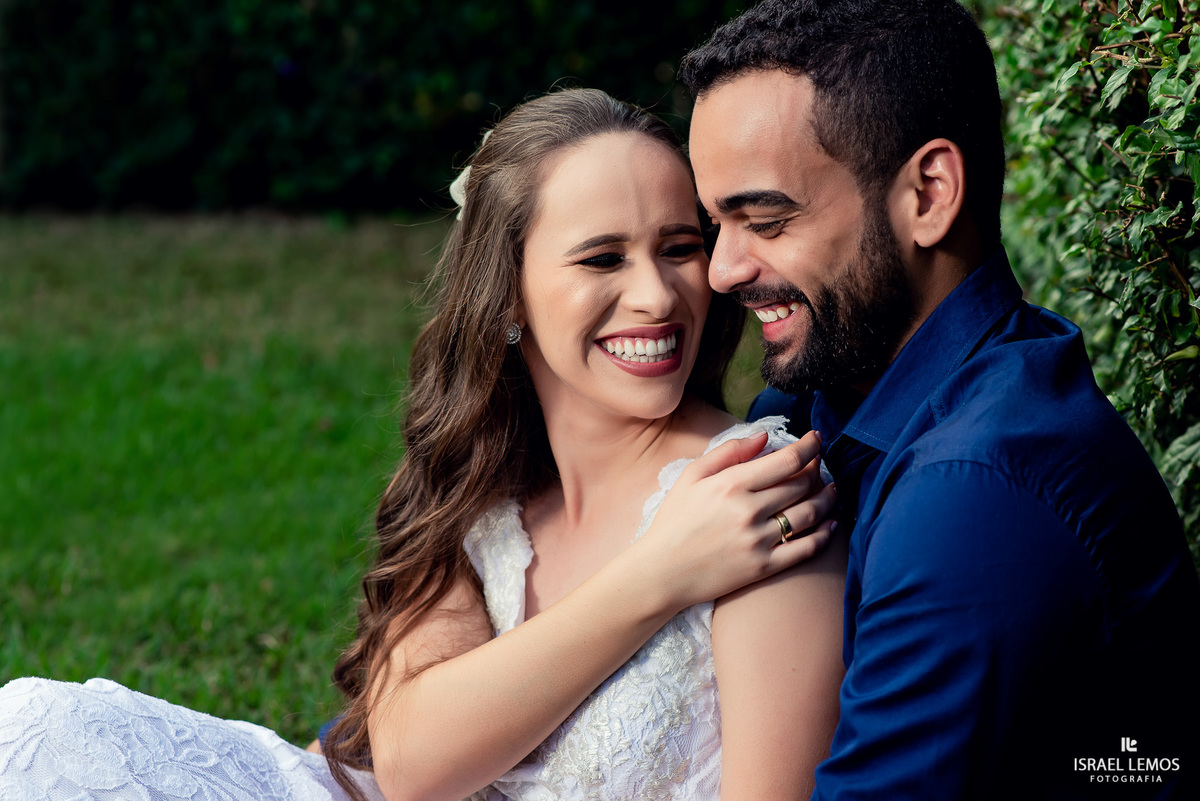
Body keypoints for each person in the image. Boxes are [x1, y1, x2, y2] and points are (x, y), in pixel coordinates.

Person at [0, 88, 845, 801]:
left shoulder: (752, 495)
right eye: (601, 258)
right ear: (507, 296)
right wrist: (660, 573)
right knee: (36, 731)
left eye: (679, 248)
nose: (656, 294)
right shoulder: (488, 490)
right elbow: (410, 761)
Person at [680, 1, 1200, 799]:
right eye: (716, 223)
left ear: (928, 194)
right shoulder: (840, 393)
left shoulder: (977, 495)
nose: (722, 271)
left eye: (766, 220)